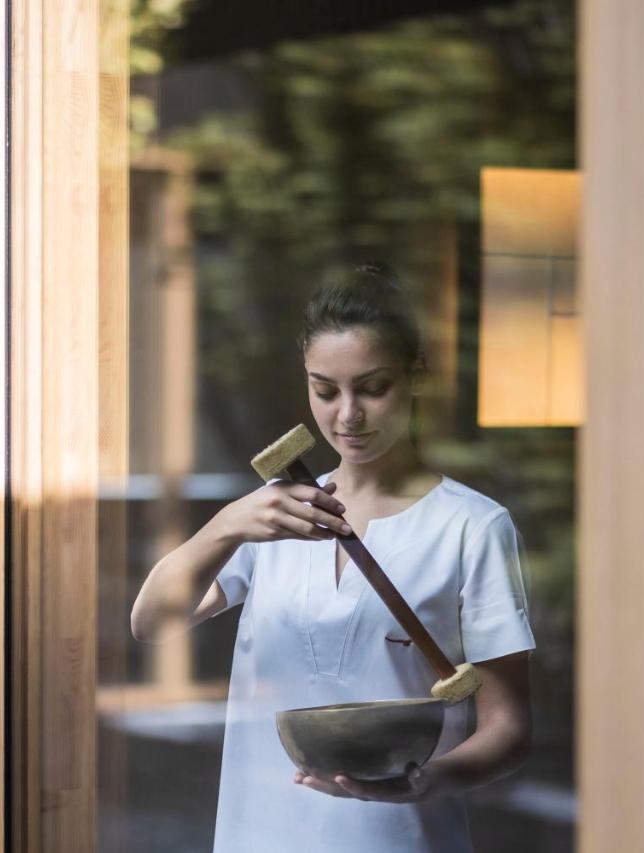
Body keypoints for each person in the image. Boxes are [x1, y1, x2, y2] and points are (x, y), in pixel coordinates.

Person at [130, 262, 535, 852]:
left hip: (401, 835)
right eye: (325, 390)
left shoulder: (471, 526)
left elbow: (509, 728)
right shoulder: (275, 515)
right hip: (259, 830)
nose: (348, 415)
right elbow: (151, 624)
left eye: (372, 387)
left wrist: (428, 781)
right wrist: (223, 527)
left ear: (416, 375)